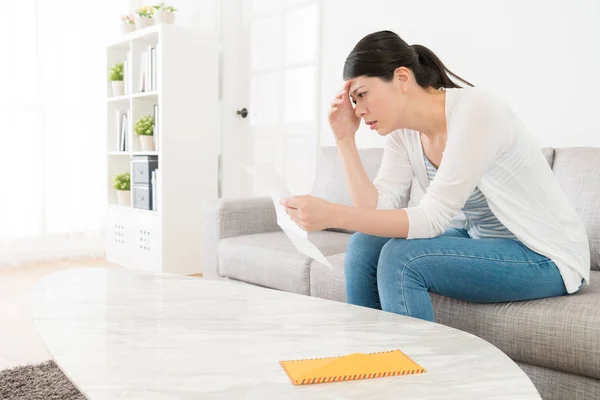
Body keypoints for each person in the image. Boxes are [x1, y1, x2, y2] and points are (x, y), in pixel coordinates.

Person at [280, 30, 589, 323]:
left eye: (362, 95)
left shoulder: (477, 109)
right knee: (364, 245)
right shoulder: (404, 135)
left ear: (402, 78)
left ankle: (412, 377)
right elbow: (376, 211)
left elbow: (432, 218)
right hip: (481, 240)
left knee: (402, 258)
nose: (358, 110)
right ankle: (369, 363)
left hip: (544, 255)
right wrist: (345, 138)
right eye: (354, 101)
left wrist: (334, 215)